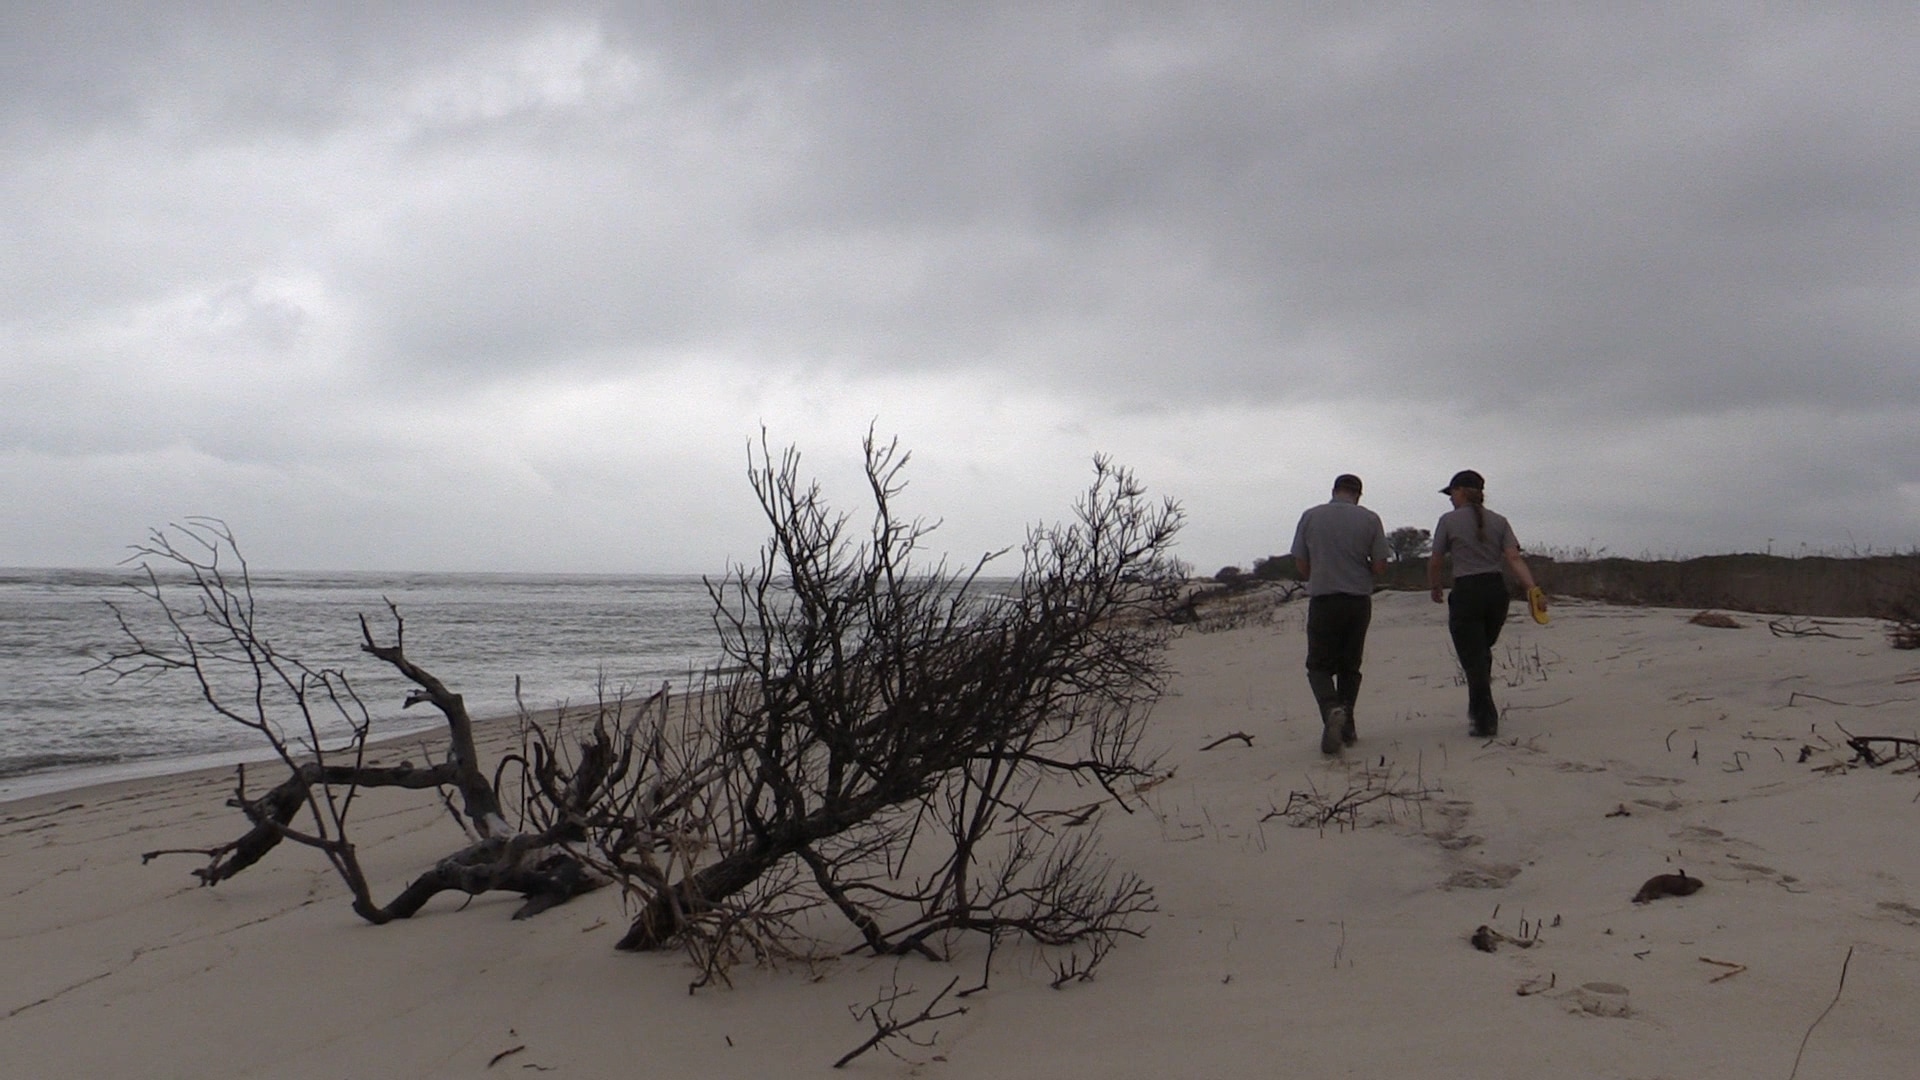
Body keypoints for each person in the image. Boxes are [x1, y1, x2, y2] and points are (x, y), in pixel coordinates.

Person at [1427, 470, 1545, 737]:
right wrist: (1533, 589)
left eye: (1451, 493)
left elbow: (1435, 560)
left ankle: (1484, 719)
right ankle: (1480, 713)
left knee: (1473, 657)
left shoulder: (1448, 521)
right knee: (1480, 653)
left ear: (1460, 491)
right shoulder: (1500, 521)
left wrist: (1435, 586)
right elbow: (1514, 558)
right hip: (1496, 592)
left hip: (1467, 592)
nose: (1450, 499)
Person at [1290, 473, 1389, 755]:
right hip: (1357, 601)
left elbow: (1301, 563)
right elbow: (1380, 566)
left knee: (1318, 666)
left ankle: (1331, 709)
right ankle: (1347, 725)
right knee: (1350, 665)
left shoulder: (1310, 516)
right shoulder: (1370, 519)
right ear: (1358, 494)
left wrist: (1321, 572)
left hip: (1324, 599)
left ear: (1334, 490)